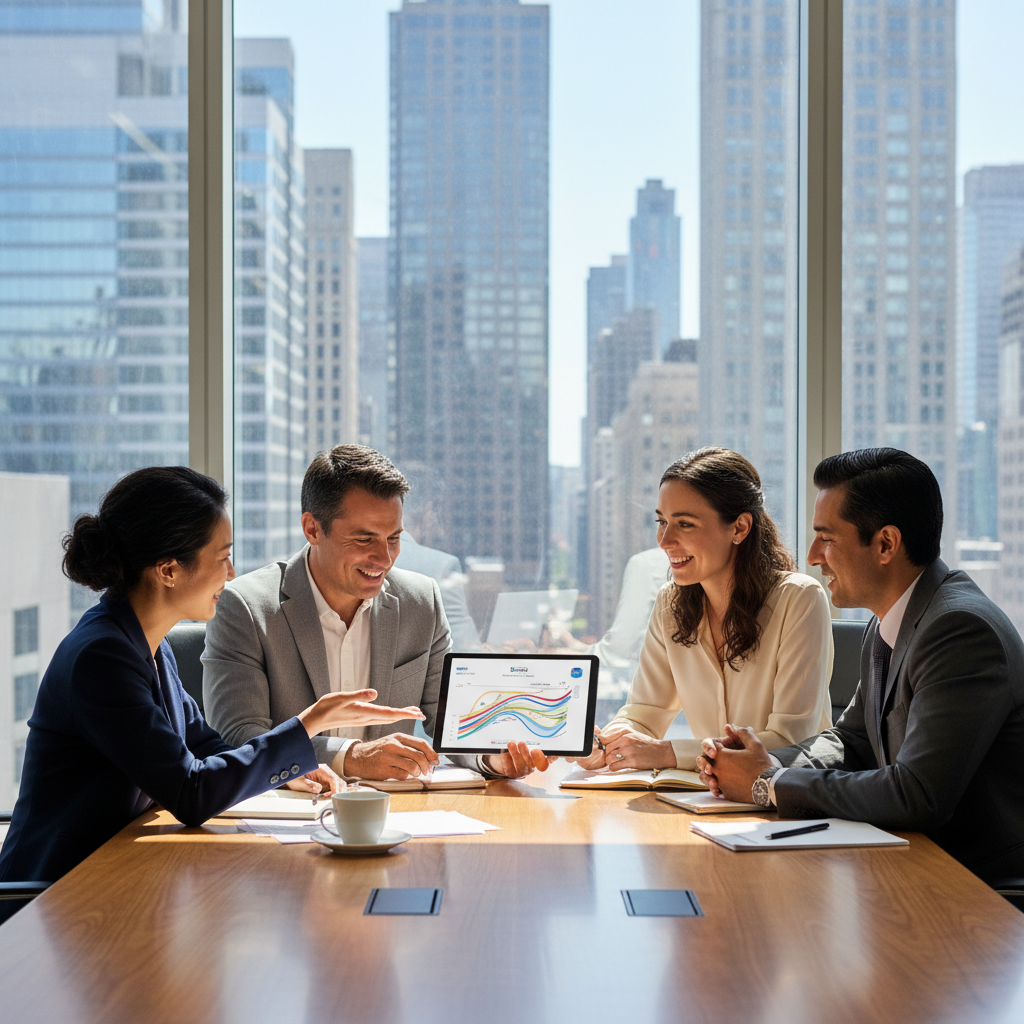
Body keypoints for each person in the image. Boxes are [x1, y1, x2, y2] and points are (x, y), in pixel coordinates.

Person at [0, 467, 422, 885]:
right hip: (53, 892)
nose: (232, 573)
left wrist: (292, 766)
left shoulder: (147, 643)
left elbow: (204, 746)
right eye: (222, 558)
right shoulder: (102, 657)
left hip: (117, 872)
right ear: (168, 570)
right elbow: (191, 792)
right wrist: (309, 723)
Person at [696, 448, 1024, 884]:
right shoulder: (890, 619)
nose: (813, 555)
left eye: (826, 538)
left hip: (975, 889)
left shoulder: (959, 630)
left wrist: (769, 783)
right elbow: (853, 740)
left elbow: (917, 794)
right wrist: (756, 763)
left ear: (886, 543)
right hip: (910, 866)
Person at [202, 445, 552, 783]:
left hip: (395, 814)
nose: (384, 558)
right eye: (364, 539)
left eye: (394, 538)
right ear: (313, 529)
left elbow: (452, 724)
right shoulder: (245, 607)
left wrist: (492, 758)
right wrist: (351, 756)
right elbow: (238, 736)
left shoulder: (421, 601)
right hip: (288, 815)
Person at [572, 447, 833, 772]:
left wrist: (667, 753)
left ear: (739, 528)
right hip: (711, 799)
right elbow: (643, 714)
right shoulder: (670, 603)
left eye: (685, 524)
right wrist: (605, 746)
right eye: (662, 521)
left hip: (789, 801)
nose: (664, 540)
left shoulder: (800, 599)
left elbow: (789, 740)